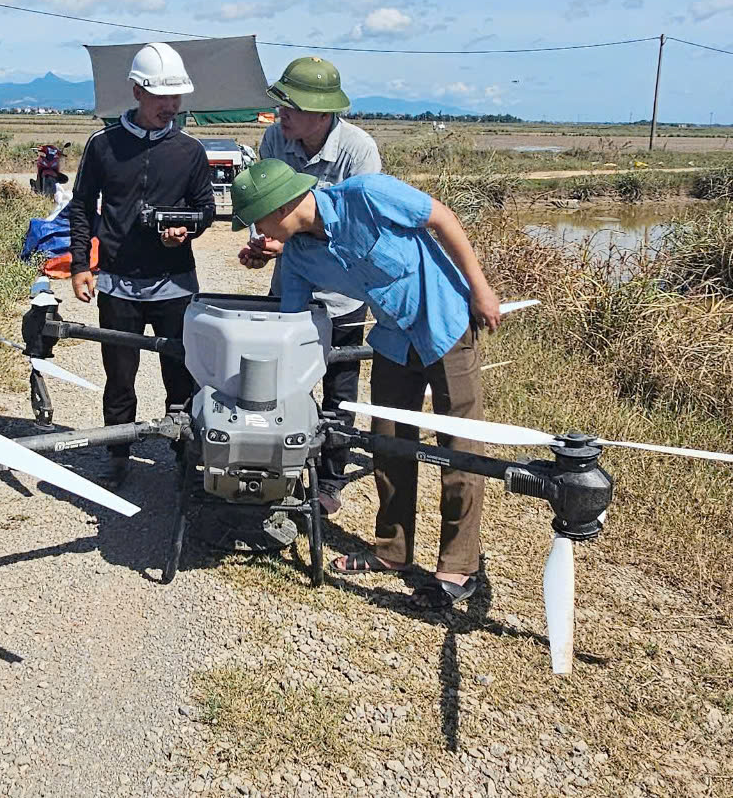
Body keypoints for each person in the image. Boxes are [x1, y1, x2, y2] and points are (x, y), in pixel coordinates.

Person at [230, 160, 503, 609]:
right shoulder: (297, 257)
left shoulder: (367, 195)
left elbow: (442, 218)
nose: (256, 233)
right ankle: (394, 551)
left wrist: (481, 288)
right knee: (388, 442)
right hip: (394, 339)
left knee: (460, 447)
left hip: (445, 321)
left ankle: (458, 565)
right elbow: (294, 325)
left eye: (256, 221)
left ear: (277, 209)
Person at [68, 42, 215, 488]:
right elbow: (81, 206)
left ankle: (184, 454)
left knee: (183, 375)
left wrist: (187, 230)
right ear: (136, 92)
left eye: (176, 98)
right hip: (117, 283)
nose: (170, 107)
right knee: (119, 377)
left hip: (175, 286)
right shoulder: (103, 145)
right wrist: (80, 264)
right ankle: (117, 453)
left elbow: (205, 208)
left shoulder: (189, 151)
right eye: (160, 97)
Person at [241, 56, 382, 514]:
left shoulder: (358, 152)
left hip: (341, 294)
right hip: (290, 288)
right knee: (278, 377)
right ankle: (274, 463)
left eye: (290, 109)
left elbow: (361, 231)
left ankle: (330, 479)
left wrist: (295, 238)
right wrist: (263, 246)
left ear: (323, 115)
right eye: (280, 107)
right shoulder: (273, 140)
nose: (280, 117)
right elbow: (269, 210)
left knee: (339, 387)